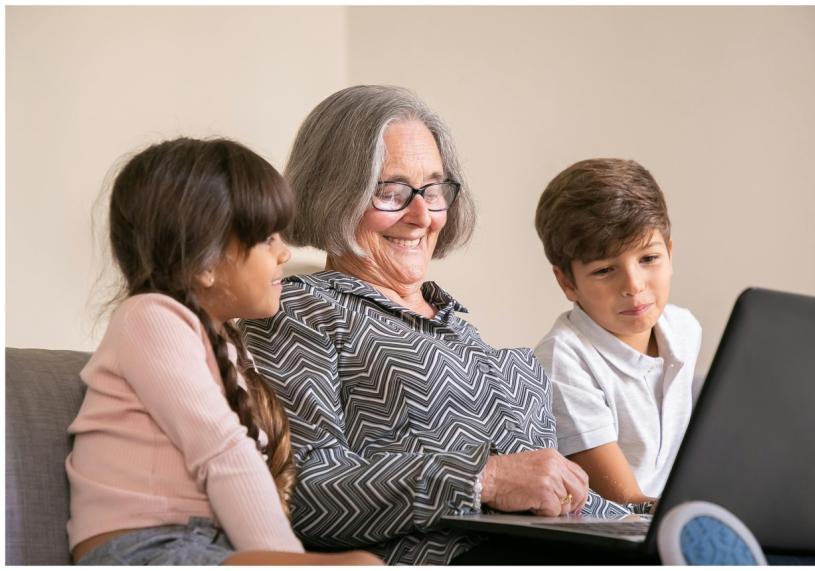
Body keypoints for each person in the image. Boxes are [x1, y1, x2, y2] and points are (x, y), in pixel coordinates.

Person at [239, 86, 633, 565]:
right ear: (333, 194)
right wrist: (483, 479)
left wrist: (645, 519)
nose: (422, 216)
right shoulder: (297, 311)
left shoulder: (461, 332)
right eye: (390, 192)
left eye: (432, 190)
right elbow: (300, 493)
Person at [65, 137, 381, 565]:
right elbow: (223, 452)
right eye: (268, 238)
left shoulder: (222, 343)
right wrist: (286, 560)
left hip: (198, 545)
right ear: (205, 263)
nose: (284, 253)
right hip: (140, 551)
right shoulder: (149, 318)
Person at [533, 158, 702, 507]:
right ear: (567, 283)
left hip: (669, 511)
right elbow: (625, 502)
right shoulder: (564, 360)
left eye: (648, 259)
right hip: (618, 526)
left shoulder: (684, 328)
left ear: (669, 254)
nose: (633, 285)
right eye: (604, 270)